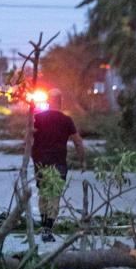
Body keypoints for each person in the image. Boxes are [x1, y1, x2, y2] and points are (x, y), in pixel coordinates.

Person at [31, 90, 85, 242]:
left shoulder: (38, 118)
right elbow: (78, 141)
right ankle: (48, 228)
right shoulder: (66, 120)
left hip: (40, 162)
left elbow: (28, 136)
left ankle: (44, 225)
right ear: (60, 102)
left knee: (43, 193)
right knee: (54, 195)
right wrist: (83, 160)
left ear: (49, 101)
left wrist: (30, 156)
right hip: (59, 162)